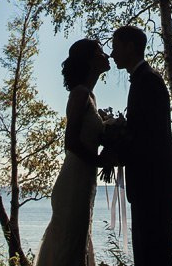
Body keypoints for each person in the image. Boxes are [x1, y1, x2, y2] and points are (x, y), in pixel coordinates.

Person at [104, 25, 172, 266]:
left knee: (154, 255)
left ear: (130, 47)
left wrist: (115, 151)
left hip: (155, 186)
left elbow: (148, 137)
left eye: (116, 46)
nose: (112, 53)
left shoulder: (148, 81)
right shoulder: (142, 80)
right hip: (151, 186)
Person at [35, 38, 109, 266]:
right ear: (88, 60)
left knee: (78, 237)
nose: (106, 55)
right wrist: (99, 160)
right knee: (70, 239)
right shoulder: (80, 94)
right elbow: (71, 142)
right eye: (99, 52)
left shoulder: (91, 96)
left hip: (85, 179)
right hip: (75, 177)